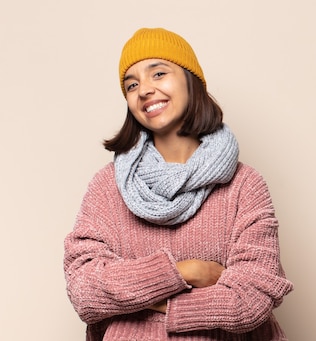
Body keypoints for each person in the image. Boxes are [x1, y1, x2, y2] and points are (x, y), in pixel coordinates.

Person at [63, 27, 293, 340]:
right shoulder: (108, 186)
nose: (144, 89)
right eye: (132, 85)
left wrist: (140, 300)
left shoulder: (244, 185)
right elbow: (85, 290)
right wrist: (186, 272)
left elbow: (252, 298)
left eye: (158, 73)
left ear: (190, 80)